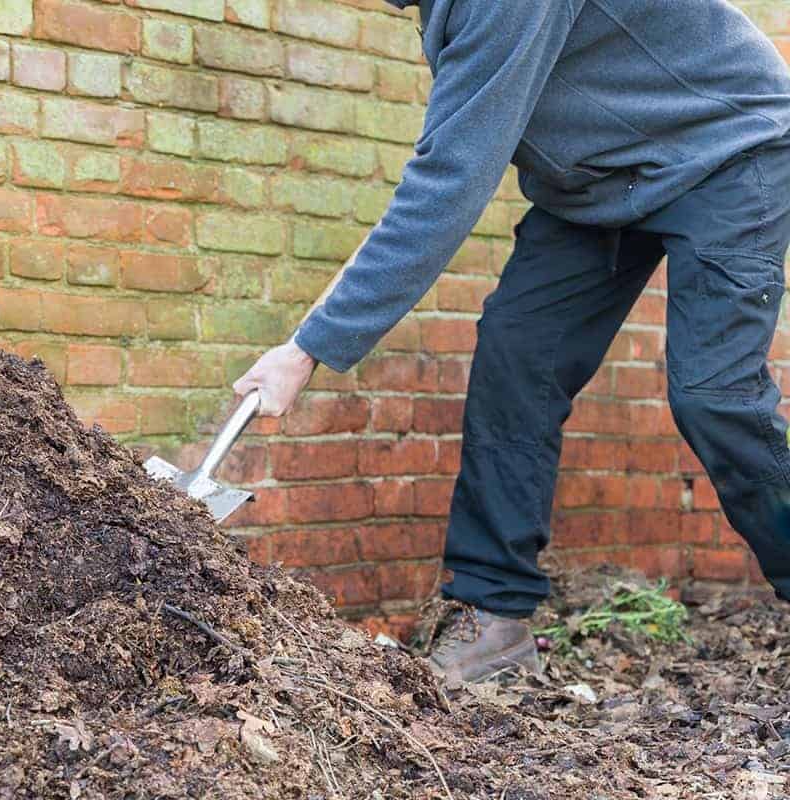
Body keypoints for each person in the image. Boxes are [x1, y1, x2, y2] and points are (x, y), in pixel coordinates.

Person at [234, 0, 790, 684]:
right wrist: (307, 339)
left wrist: (308, 350)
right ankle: (490, 617)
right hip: (598, 182)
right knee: (515, 356)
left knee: (714, 395)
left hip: (725, 148)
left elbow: (449, 181)